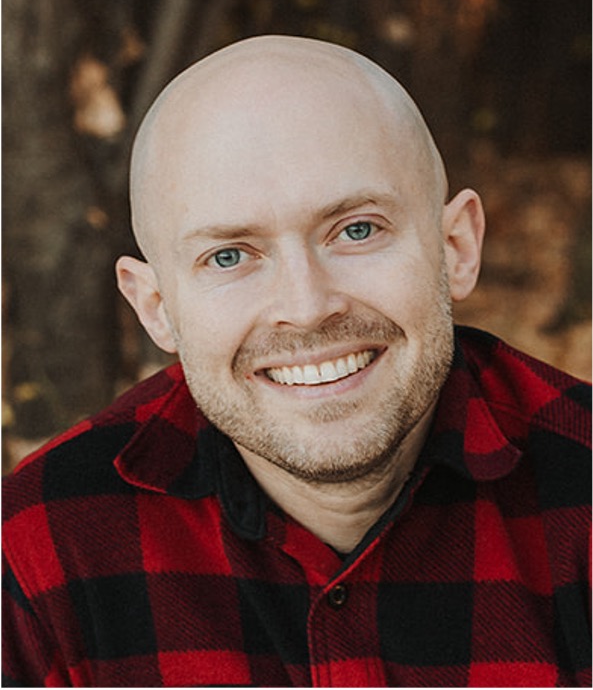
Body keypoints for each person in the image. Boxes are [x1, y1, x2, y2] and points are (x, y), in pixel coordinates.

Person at [3, 35, 590, 688]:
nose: (306, 308)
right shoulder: (40, 548)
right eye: (229, 256)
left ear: (456, 247)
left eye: (357, 230)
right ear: (156, 307)